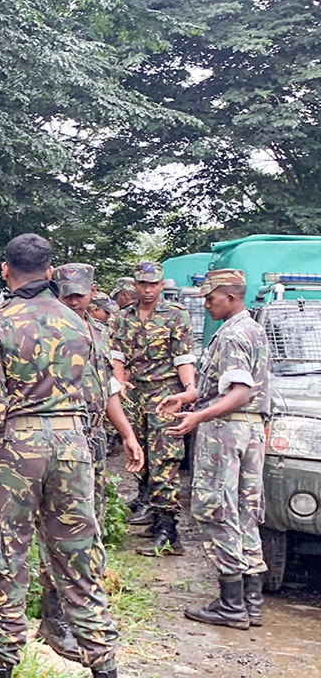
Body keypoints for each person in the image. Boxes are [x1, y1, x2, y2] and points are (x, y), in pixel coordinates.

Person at [0, 235, 119, 678]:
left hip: (16, 454)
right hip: (74, 448)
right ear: (51, 273)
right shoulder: (83, 325)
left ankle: (4, 664)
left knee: (6, 558)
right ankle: (104, 666)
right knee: (80, 560)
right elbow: (95, 395)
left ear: (5, 270)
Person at [34, 264, 144, 659]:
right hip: (58, 445)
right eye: (67, 292)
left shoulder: (98, 333)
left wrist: (128, 435)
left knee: (88, 529)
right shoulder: (46, 328)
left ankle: (85, 614)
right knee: (55, 528)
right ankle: (54, 617)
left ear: (92, 291)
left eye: (80, 293)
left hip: (91, 445)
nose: (74, 298)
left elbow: (109, 389)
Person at [159, 269, 270, 629]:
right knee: (244, 511)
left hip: (227, 431)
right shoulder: (252, 328)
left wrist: (198, 417)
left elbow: (238, 393)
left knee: (216, 509)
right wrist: (188, 396)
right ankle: (250, 603)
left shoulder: (234, 335)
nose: (206, 304)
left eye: (211, 298)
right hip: (251, 429)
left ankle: (231, 604)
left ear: (231, 297)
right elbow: (226, 385)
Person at [111, 261, 197, 557]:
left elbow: (183, 357)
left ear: (162, 285)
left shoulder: (176, 315)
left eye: (153, 284)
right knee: (139, 455)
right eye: (143, 284)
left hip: (165, 394)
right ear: (135, 285)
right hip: (135, 393)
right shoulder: (122, 317)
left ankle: (168, 531)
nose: (148, 290)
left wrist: (188, 391)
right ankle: (151, 510)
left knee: (165, 458)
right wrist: (119, 383)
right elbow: (117, 355)